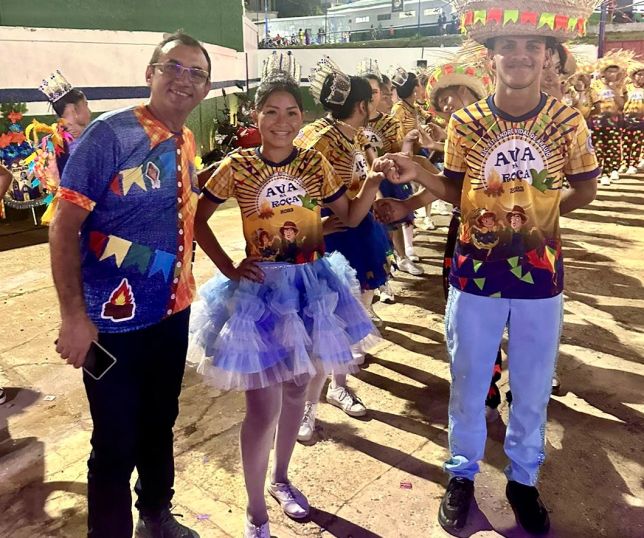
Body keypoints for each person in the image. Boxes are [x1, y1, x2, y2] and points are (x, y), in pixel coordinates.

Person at [374, 0, 600, 532]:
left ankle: (523, 480)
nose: (520, 55)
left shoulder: (567, 121)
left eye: (532, 45)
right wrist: (419, 175)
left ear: (547, 55)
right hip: (474, 275)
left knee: (533, 385)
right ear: (491, 55)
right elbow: (457, 190)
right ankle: (461, 474)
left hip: (540, 277)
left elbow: (585, 189)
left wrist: (538, 219)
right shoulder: (467, 122)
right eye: (508, 45)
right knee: (469, 381)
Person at [188, 53, 384, 537]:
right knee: (262, 408)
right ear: (255, 116)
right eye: (271, 111)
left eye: (291, 112)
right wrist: (229, 266)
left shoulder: (316, 163)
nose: (282, 121)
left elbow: (351, 215)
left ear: (302, 117)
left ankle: (281, 480)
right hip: (260, 294)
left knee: (298, 390)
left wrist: (376, 180)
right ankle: (255, 509)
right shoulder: (236, 166)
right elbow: (194, 219)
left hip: (312, 289)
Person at [49, 31, 212, 538]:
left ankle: (156, 515)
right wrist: (74, 318)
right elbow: (63, 226)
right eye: (173, 67)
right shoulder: (109, 135)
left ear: (207, 88)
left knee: (160, 422)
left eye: (197, 73)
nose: (184, 79)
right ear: (150, 74)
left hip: (172, 313)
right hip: (110, 325)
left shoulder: (186, 139)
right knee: (115, 442)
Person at [294, 57, 388, 439]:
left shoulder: (355, 134)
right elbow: (293, 190)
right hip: (328, 241)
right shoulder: (318, 139)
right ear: (362, 105)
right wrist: (315, 224)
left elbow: (362, 177)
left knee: (349, 318)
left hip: (358, 232)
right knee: (322, 323)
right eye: (374, 97)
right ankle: (307, 407)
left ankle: (338, 386)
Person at [358, 61, 423, 282]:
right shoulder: (351, 124)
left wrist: (407, 145)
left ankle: (401, 258)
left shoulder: (390, 123)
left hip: (386, 181)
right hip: (358, 185)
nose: (371, 97)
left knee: (392, 223)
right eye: (366, 91)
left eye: (375, 91)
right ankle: (382, 276)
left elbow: (400, 156)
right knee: (370, 232)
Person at [32, 70, 92, 225]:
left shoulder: (50, 143)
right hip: (85, 213)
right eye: (86, 105)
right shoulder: (83, 143)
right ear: (74, 110)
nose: (89, 111)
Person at [588, 51, 629, 186]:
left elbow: (622, 104)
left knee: (613, 146)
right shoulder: (595, 85)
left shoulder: (620, 86)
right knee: (598, 146)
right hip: (597, 121)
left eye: (615, 71)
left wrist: (614, 90)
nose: (613, 74)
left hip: (614, 121)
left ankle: (611, 170)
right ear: (604, 73)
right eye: (610, 71)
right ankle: (599, 171)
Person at [621, 61, 644, 174]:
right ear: (633, 76)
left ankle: (633, 164)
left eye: (643, 75)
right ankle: (624, 163)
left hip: (641, 119)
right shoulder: (627, 88)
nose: (642, 77)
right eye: (639, 74)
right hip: (627, 119)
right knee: (625, 142)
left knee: (637, 142)